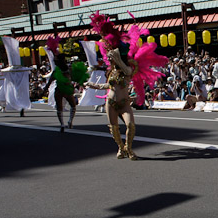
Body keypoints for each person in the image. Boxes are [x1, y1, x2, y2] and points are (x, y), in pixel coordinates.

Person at [84, 12, 165, 160]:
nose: (111, 58)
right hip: (111, 102)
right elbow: (108, 86)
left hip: (124, 103)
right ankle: (121, 148)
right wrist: (93, 86)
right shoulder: (111, 72)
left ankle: (129, 147)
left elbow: (126, 70)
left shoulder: (129, 68)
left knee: (131, 126)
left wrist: (117, 58)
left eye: (113, 56)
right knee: (113, 128)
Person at [43, 37, 88, 132]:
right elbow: (77, 78)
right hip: (67, 89)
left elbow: (50, 82)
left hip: (60, 89)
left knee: (60, 108)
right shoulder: (68, 69)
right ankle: (69, 121)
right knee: (72, 106)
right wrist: (81, 84)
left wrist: (44, 90)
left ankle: (62, 124)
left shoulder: (58, 70)